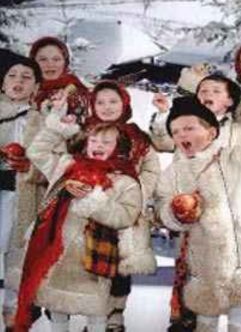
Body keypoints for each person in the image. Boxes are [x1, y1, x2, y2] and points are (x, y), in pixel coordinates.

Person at [155, 96, 241, 332]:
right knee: (206, 316)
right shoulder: (173, 172)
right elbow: (163, 209)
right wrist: (176, 213)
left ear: (211, 132)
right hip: (203, 256)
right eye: (175, 131)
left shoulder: (234, 157)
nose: (181, 135)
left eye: (189, 128)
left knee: (240, 315)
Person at [14, 94, 143, 332]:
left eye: (106, 142)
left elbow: (125, 217)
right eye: (94, 140)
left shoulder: (125, 182)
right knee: (57, 308)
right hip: (57, 255)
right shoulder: (66, 166)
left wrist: (92, 198)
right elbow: (37, 151)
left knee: (96, 313)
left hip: (94, 259)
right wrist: (57, 126)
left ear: (119, 148)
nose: (98, 146)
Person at [4, 37, 92, 305]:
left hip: (49, 188)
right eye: (42, 59)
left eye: (56, 58)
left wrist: (33, 166)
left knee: (28, 251)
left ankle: (26, 307)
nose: (50, 64)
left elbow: (72, 149)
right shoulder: (23, 100)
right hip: (14, 188)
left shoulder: (76, 98)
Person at [86, 81, 161, 332]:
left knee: (121, 266)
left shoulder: (137, 137)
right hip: (91, 209)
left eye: (113, 101)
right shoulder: (84, 134)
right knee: (92, 264)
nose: (107, 107)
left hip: (127, 210)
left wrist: (138, 192)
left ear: (124, 104)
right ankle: (96, 316)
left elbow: (151, 168)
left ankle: (115, 317)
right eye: (100, 102)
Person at [0, 53, 41, 329]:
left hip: (23, 198)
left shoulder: (43, 121)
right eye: (12, 75)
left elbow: (55, 163)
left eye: (26, 77)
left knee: (18, 260)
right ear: (3, 83)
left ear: (36, 86)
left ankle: (13, 317)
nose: (19, 81)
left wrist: (32, 167)